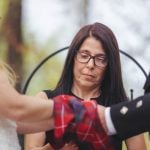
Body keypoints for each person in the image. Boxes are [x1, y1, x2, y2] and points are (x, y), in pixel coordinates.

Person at [25, 22, 146, 150]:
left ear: (110, 65)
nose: (90, 65)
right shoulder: (45, 100)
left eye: (100, 59)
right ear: (73, 57)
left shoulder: (121, 108)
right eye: (84, 56)